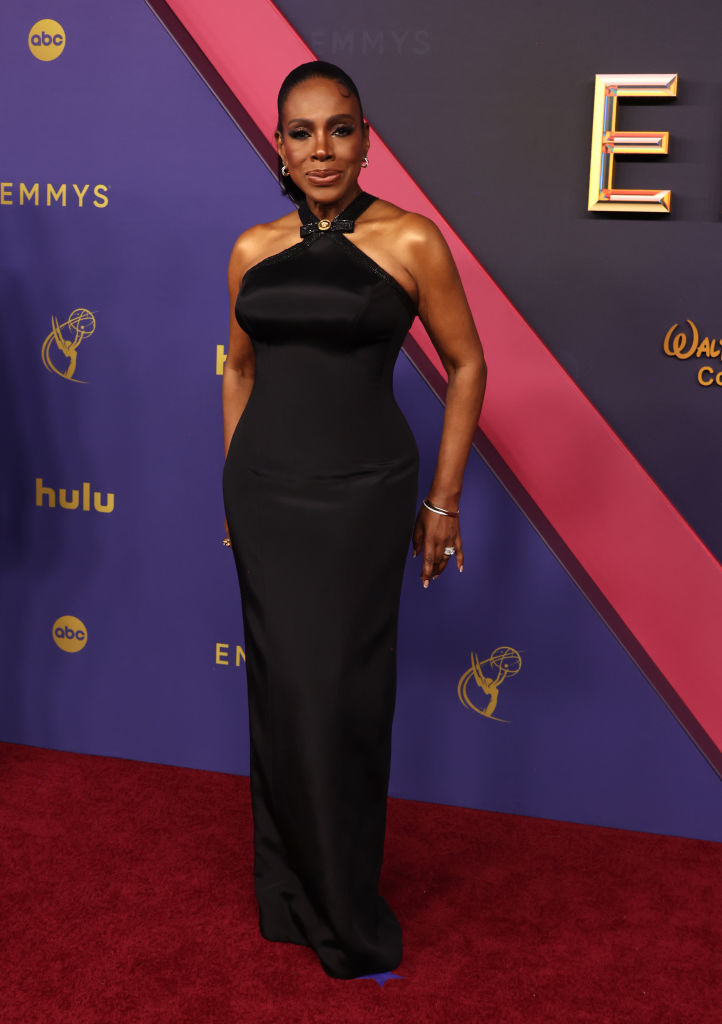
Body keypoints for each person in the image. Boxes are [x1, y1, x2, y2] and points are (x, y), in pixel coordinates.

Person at [222, 60, 486, 980]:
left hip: (363, 494)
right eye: (302, 132)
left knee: (344, 699)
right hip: (265, 494)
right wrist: (231, 483)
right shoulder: (251, 249)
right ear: (280, 147)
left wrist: (442, 501)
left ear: (367, 137)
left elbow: (468, 366)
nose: (321, 148)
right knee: (284, 697)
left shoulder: (412, 241)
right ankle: (290, 893)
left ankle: (344, 901)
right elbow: (242, 371)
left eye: (339, 129)